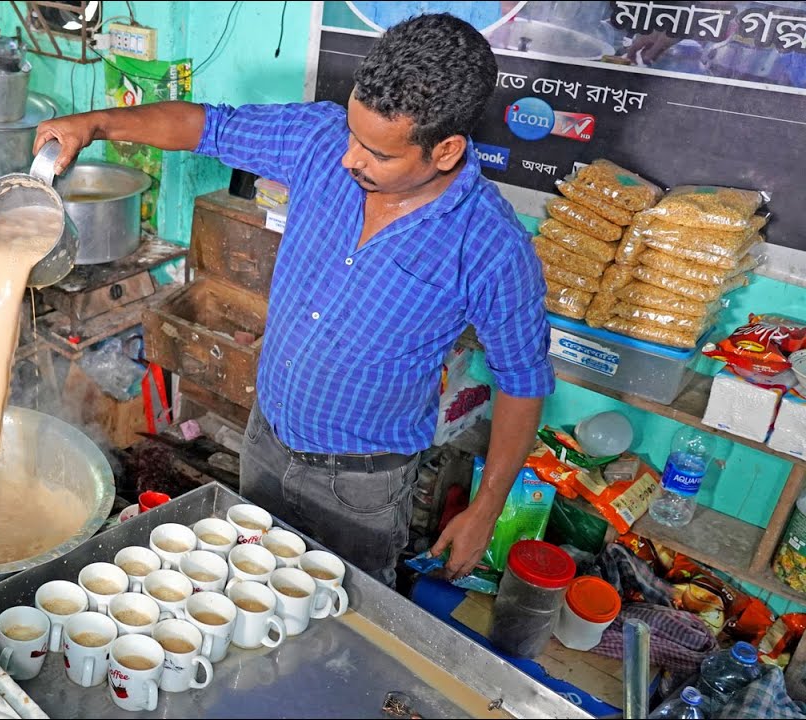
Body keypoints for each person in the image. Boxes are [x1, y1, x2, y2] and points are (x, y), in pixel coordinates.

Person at [35, 13, 553, 586]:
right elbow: (202, 126)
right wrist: (95, 124)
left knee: (343, 625)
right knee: (251, 592)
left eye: (378, 153)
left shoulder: (492, 247)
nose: (349, 158)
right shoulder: (321, 140)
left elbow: (523, 381)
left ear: (447, 150)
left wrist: (485, 509)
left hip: (359, 489)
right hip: (265, 442)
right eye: (354, 135)